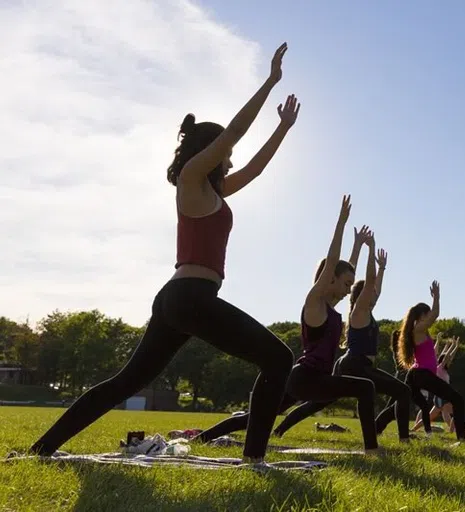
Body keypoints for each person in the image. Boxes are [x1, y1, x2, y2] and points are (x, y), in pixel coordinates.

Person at [27, 44, 299, 464]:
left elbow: (256, 168)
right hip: (190, 297)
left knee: (127, 380)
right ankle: (254, 460)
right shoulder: (190, 180)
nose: (230, 159)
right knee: (279, 358)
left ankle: (42, 449)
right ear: (210, 150)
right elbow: (233, 135)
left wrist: (283, 129)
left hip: (182, 299)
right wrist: (270, 82)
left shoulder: (213, 191)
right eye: (224, 153)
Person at [194, 196, 380, 454]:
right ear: (330, 280)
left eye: (352, 285)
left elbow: (344, 269)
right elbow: (333, 261)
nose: (350, 290)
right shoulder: (315, 301)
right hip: (307, 378)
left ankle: (202, 439)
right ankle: (372, 449)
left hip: (307, 379)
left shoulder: (333, 307)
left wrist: (358, 245)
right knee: (366, 387)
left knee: (256, 417)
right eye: (347, 284)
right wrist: (341, 223)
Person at [271, 243, 413, 443]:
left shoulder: (368, 310)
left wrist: (382, 269)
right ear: (361, 295)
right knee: (402, 390)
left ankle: (279, 429)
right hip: (354, 364)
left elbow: (376, 287)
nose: (375, 292)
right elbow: (369, 281)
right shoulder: (359, 310)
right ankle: (401, 438)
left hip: (357, 364)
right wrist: (371, 253)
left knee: (319, 402)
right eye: (370, 291)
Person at [376, 283, 465, 441]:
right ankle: (462, 437)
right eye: (427, 314)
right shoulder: (418, 329)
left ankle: (376, 427)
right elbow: (436, 314)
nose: (430, 316)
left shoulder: (420, 331)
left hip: (416, 374)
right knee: (457, 399)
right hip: (422, 374)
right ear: (422, 316)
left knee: (400, 402)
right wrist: (437, 298)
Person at [412, 335, 460, 432]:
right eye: (448, 360)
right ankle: (453, 431)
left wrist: (456, 346)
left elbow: (447, 356)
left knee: (434, 415)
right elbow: (447, 356)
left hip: (441, 397)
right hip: (442, 396)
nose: (450, 361)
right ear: (444, 361)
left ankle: (413, 429)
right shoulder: (440, 368)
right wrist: (453, 345)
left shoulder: (443, 370)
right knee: (457, 409)